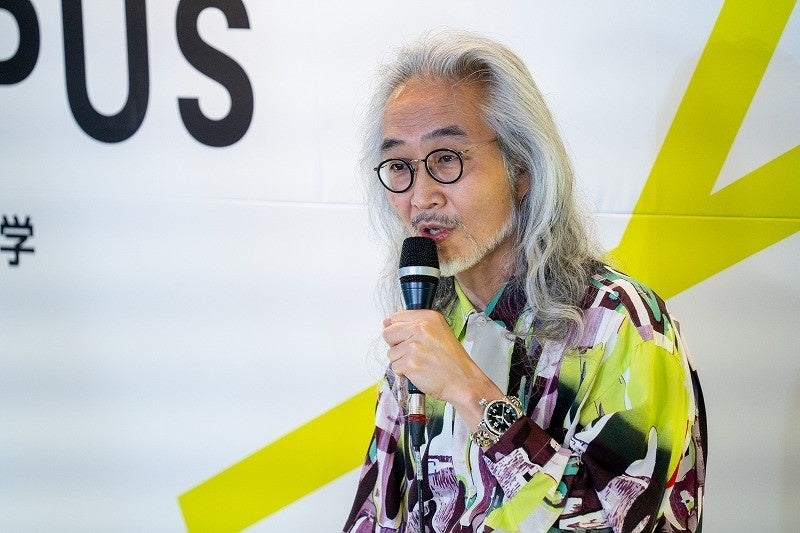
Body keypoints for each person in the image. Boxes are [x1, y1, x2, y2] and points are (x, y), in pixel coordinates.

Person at [344, 29, 706, 533]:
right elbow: (379, 515)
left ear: (522, 168)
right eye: (399, 165)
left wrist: (471, 391)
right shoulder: (431, 325)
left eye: (446, 158)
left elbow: (629, 524)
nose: (421, 196)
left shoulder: (622, 324)